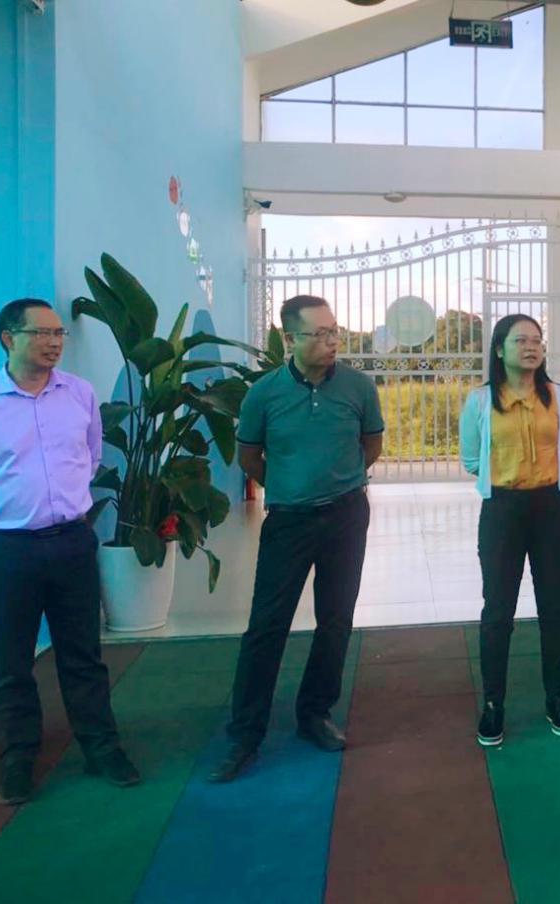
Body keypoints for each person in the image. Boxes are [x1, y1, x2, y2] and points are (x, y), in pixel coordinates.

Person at [0, 298, 139, 806]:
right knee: (10, 660)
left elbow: (91, 458)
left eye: (59, 334)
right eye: (42, 333)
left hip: (72, 543)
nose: (55, 342)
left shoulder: (80, 395)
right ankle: (18, 756)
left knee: (83, 655)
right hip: (5, 550)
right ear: (8, 338)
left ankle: (101, 747)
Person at [210, 295, 383, 783]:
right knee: (267, 624)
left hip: (346, 516)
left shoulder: (358, 387)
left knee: (336, 619)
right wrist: (290, 487)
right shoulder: (264, 394)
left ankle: (315, 713)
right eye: (319, 334)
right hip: (288, 521)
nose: (331, 342)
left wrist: (337, 481)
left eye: (334, 332)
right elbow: (250, 457)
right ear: (290, 339)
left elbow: (371, 446)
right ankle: (246, 732)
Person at [459, 314, 560, 747]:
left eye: (536, 340)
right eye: (520, 340)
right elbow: (471, 459)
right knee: (498, 610)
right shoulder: (480, 400)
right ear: (499, 349)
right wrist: (507, 478)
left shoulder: (559, 396)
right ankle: (493, 704)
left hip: (551, 510)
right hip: (503, 511)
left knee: (555, 606)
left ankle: (557, 697)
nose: (531, 347)